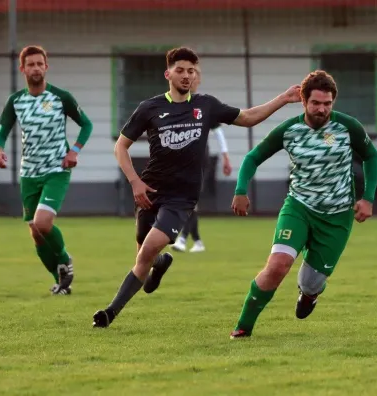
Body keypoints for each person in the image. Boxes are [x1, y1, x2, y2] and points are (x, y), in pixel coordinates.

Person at [92, 46, 300, 328]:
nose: (186, 75)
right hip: (150, 191)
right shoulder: (150, 108)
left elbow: (248, 117)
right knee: (144, 255)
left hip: (182, 197)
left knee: (148, 248)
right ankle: (159, 265)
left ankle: (109, 313)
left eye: (191, 71)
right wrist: (135, 182)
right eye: (180, 70)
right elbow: (121, 146)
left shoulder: (206, 106)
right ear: (168, 74)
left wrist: (284, 99)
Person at [229, 70, 377, 339]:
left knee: (311, 283)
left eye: (327, 104)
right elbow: (253, 157)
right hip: (298, 207)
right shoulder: (290, 130)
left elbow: (370, 155)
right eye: (316, 103)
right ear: (303, 101)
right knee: (277, 265)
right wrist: (241, 190)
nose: (322, 109)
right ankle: (243, 327)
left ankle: (309, 295)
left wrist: (367, 198)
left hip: (337, 216)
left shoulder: (347, 127)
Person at [0, 45, 93, 295]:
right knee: (36, 234)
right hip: (29, 173)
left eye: (40, 64)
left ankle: (65, 260)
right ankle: (60, 282)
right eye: (31, 64)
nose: (36, 68)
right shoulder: (16, 101)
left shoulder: (60, 97)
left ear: (46, 67)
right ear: (22, 69)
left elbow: (86, 125)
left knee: (43, 223)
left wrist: (74, 151)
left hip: (56, 169)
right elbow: (1, 133)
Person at [171, 65, 232, 253]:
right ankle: (197, 241)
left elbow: (218, 132)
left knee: (190, 201)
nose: (189, 80)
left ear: (197, 81)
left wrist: (225, 156)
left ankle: (182, 239)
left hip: (198, 160)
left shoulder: (203, 105)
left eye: (193, 77)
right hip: (179, 160)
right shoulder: (174, 105)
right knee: (186, 201)